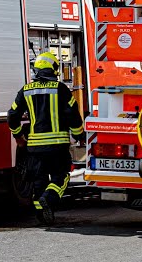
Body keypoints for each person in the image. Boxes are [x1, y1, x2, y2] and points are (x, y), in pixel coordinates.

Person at [7, 52, 85, 225]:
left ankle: (42, 216)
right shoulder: (61, 89)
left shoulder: (25, 90)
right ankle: (48, 200)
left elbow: (12, 115)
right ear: (54, 69)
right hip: (57, 146)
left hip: (34, 148)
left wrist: (18, 136)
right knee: (61, 177)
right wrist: (79, 135)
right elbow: (73, 115)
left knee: (38, 182)